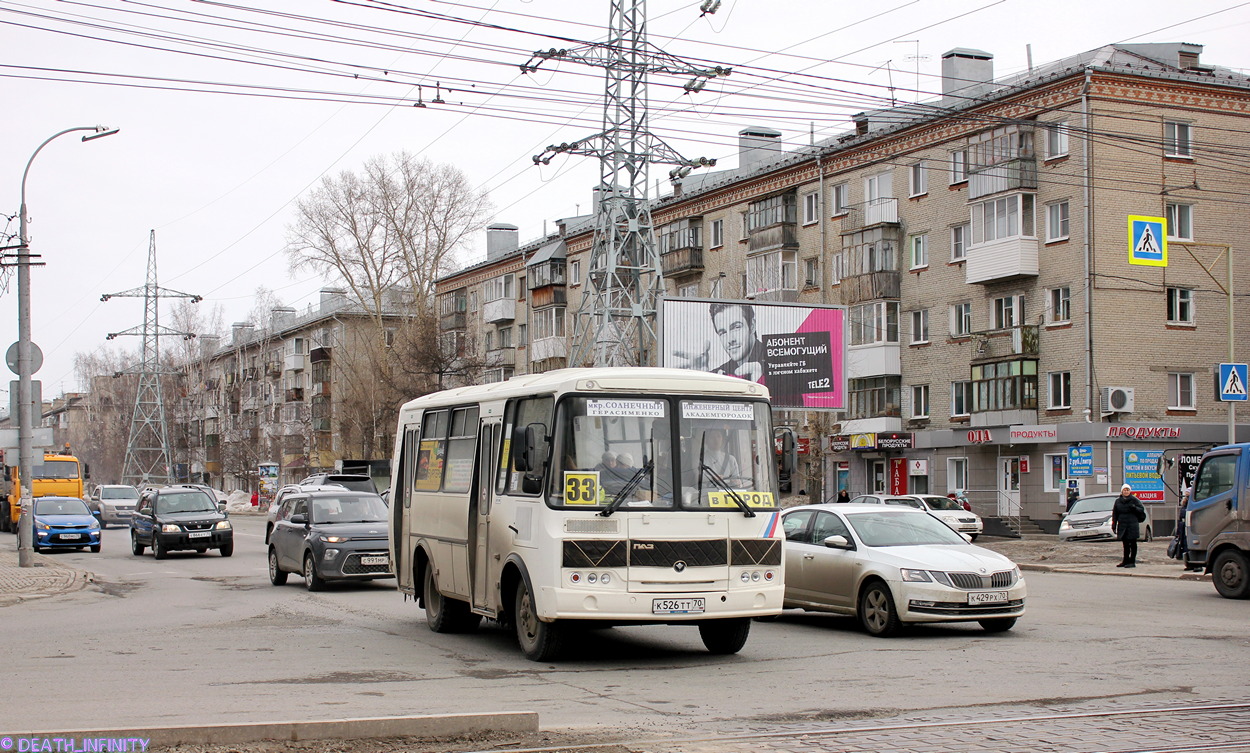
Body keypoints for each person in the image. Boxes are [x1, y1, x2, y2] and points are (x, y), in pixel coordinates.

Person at [709, 302, 766, 383]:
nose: (730, 340)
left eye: (736, 327)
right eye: (723, 332)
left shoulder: (778, 364)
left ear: (752, 326)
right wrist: (699, 377)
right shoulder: (719, 374)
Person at [1111, 483, 1147, 568]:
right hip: (1122, 524)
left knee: (1133, 543)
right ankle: (1125, 561)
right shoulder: (1118, 501)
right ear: (1122, 491)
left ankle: (1132, 561)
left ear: (1130, 491)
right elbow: (1115, 513)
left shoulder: (1134, 500)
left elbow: (1141, 510)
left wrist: (1134, 508)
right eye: (1124, 490)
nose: (1126, 491)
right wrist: (1114, 524)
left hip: (1132, 524)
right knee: (1125, 544)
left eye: (1127, 490)